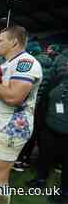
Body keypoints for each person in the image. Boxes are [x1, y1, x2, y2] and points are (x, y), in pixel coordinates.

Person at [0, 26, 42, 204]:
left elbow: (14, 97)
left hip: (12, 127)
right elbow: (1, 93)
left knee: (0, 174)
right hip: (1, 122)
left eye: (0, 40)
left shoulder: (26, 62)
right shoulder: (7, 63)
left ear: (14, 42)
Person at [27, 46, 68, 203]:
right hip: (49, 128)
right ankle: (40, 180)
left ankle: (64, 193)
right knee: (45, 156)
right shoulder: (58, 79)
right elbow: (45, 99)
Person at [12, 41, 52, 172]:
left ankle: (18, 160)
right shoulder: (51, 63)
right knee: (34, 132)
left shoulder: (30, 63)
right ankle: (27, 159)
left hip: (29, 104)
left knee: (22, 132)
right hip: (43, 105)